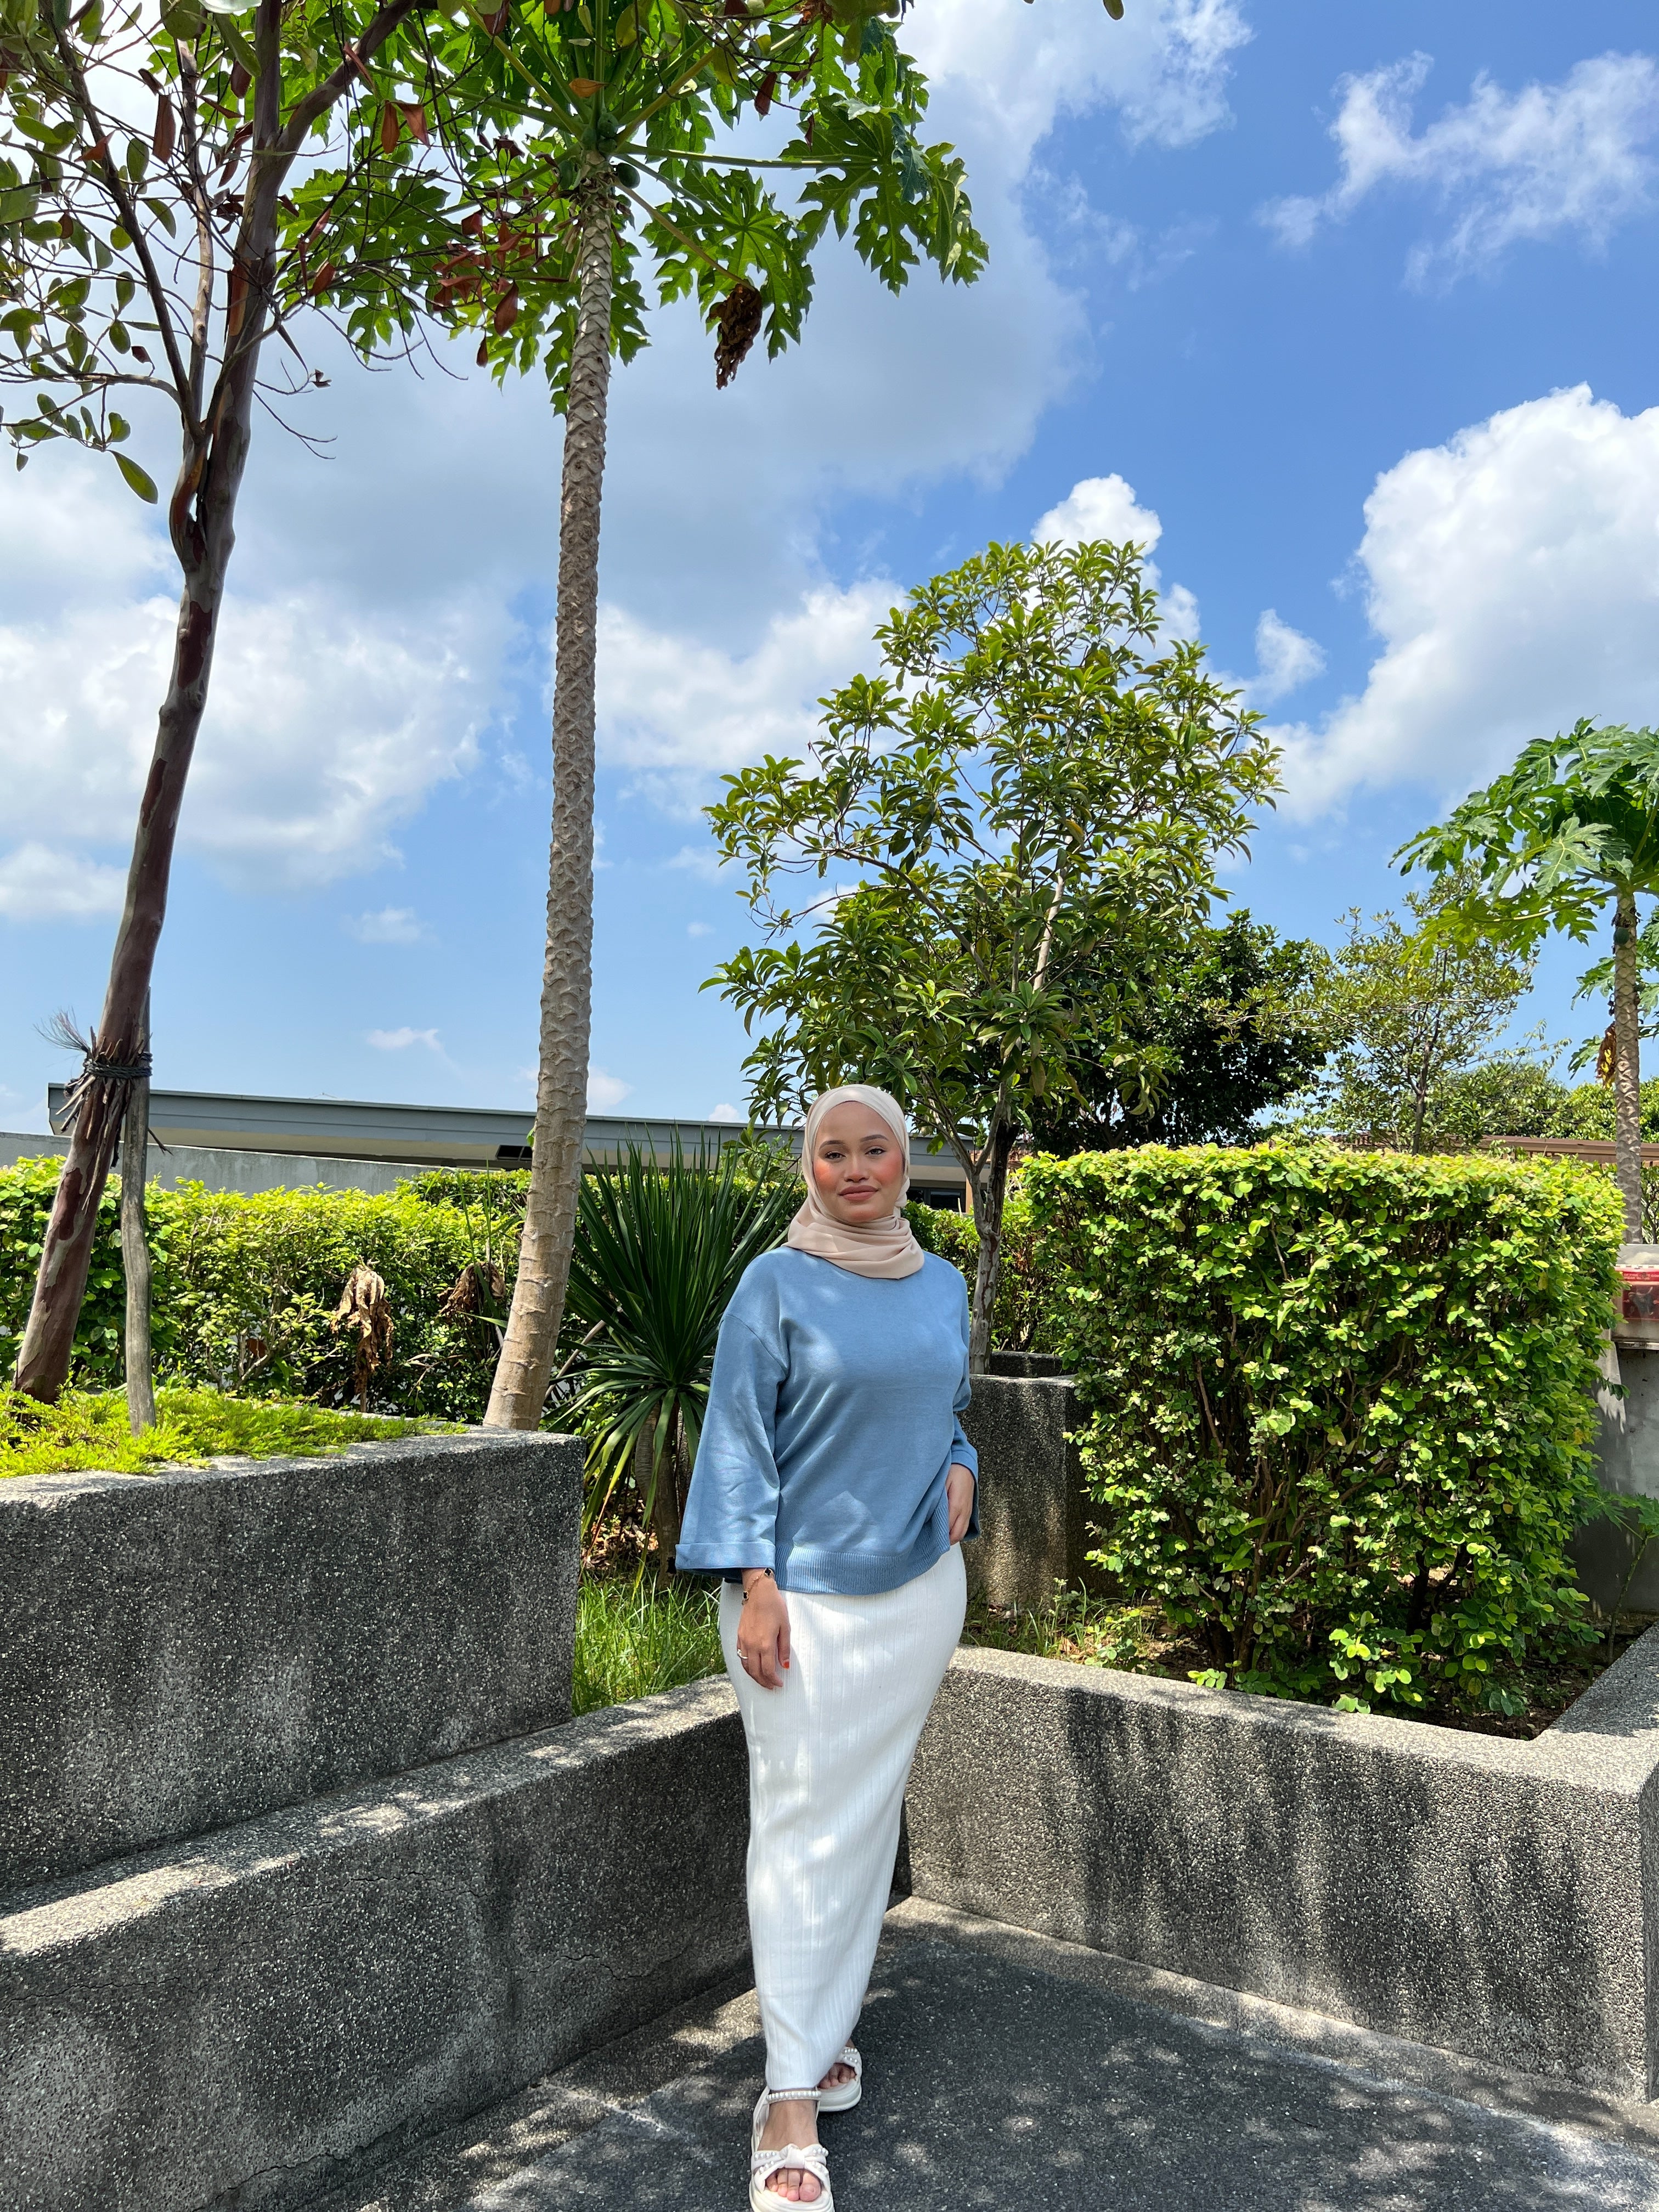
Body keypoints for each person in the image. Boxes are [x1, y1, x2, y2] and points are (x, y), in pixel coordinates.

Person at [676, 1084, 979, 2211]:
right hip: (797, 1602)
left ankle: (823, 2029)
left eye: (877, 1151)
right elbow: (738, 1443)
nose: (856, 1171)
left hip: (916, 1596)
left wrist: (966, 1465)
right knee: (803, 1831)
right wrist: (754, 1585)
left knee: (864, 1818)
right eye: (833, 1153)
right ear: (809, 1166)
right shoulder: (775, 1284)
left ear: (906, 1162)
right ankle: (787, 2096)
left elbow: (946, 1409)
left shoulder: (941, 1282)